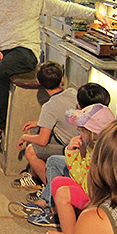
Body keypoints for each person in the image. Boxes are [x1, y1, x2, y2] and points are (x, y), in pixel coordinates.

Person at [0, 0, 109, 161]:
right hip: (1, 50)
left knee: (1, 72)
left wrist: (93, 14)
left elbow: (65, 8)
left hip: (25, 50)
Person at [27, 103, 115, 228]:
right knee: (57, 181)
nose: (79, 134)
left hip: (95, 197)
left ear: (91, 132)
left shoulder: (97, 153)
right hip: (93, 192)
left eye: (82, 131)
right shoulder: (97, 147)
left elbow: (78, 177)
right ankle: (54, 210)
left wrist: (71, 152)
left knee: (63, 193)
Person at [14, 62, 78, 191]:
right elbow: (63, 115)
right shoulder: (72, 92)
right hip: (78, 140)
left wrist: (24, 137)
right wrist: (39, 122)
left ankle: (49, 190)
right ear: (62, 79)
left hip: (70, 148)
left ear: (38, 82)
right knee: (34, 129)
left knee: (31, 150)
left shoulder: (49, 106)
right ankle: (33, 178)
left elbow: (42, 141)